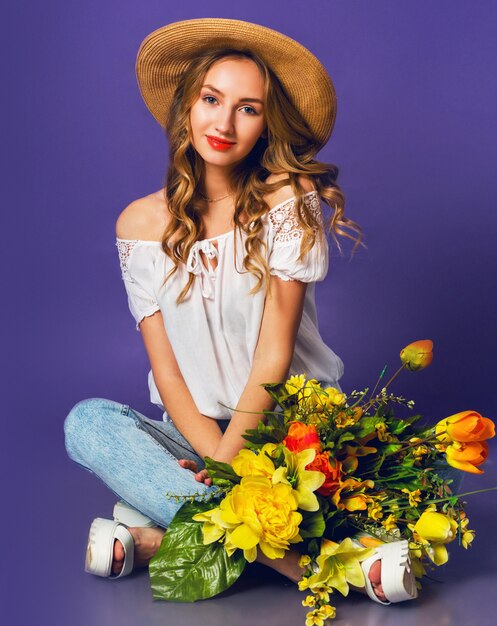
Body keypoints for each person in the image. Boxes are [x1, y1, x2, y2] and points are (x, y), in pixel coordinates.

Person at [64, 18, 417, 606]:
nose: (224, 124)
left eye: (247, 109)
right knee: (88, 423)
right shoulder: (139, 225)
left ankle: (155, 534)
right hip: (196, 433)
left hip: (286, 430)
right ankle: (313, 566)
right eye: (211, 100)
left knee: (327, 493)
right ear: (187, 108)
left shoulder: (286, 203)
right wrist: (215, 458)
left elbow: (273, 355)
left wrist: (229, 464)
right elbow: (169, 372)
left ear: (266, 124)